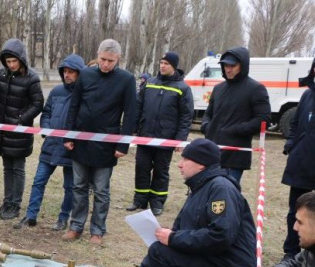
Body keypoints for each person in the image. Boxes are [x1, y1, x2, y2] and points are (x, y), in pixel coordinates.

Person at [121, 139, 256, 267]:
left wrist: (173, 238)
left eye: (185, 158)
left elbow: (221, 235)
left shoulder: (220, 189)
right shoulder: (201, 187)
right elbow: (178, 232)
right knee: (162, 250)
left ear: (201, 164)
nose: (179, 163)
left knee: (161, 253)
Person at [62, 39, 137, 245]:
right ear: (98, 55)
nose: (105, 64)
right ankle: (76, 226)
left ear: (118, 59)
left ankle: (98, 229)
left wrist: (123, 144)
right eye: (103, 59)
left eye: (110, 61)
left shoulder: (127, 79)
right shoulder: (85, 74)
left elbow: (130, 114)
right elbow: (74, 105)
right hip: (81, 139)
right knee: (78, 186)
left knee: (101, 190)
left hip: (107, 143)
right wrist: (69, 135)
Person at [15, 54, 85, 231]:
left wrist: (75, 139)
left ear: (79, 73)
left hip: (72, 149)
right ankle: (31, 216)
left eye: (71, 72)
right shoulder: (56, 92)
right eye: (65, 72)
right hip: (51, 146)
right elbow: (46, 113)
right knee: (38, 181)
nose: (67, 75)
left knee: (70, 187)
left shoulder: (84, 95)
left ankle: (63, 218)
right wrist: (46, 129)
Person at [127, 51, 193, 216]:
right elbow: (138, 106)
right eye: (161, 63)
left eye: (167, 64)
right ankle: (139, 200)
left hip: (166, 139)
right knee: (141, 167)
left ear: (174, 67)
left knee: (161, 170)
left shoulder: (183, 88)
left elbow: (186, 116)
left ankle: (157, 202)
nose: (163, 66)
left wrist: (180, 139)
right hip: (145, 135)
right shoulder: (149, 83)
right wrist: (134, 128)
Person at [0, 38, 44, 220]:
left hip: (20, 132)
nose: (11, 65)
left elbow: (38, 104)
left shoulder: (32, 78)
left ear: (21, 60)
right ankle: (7, 202)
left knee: (18, 168)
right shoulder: (2, 75)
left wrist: (22, 119)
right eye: (8, 61)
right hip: (3, 130)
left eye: (14, 61)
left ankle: (15, 205)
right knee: (7, 168)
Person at [201, 46, 270, 183]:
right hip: (212, 153)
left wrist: (236, 130)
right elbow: (208, 113)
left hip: (235, 156)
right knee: (206, 193)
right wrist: (206, 127)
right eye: (225, 65)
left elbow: (263, 120)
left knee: (226, 196)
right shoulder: (218, 88)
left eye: (232, 65)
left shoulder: (256, 89)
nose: (228, 69)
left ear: (242, 66)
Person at [280, 58, 315, 262]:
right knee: (295, 210)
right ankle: (291, 254)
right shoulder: (307, 95)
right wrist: (291, 144)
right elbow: (295, 124)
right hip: (300, 161)